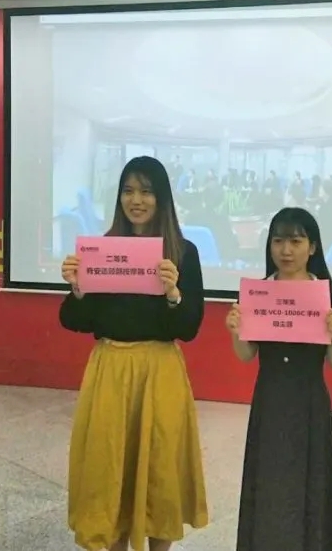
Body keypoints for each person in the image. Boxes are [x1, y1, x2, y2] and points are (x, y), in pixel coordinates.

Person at [59, 156, 209, 551]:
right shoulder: (102, 250)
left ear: (162, 198)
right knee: (109, 471)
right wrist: (78, 289)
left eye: (146, 191)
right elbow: (74, 320)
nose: (136, 200)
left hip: (159, 373)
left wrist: (174, 294)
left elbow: (189, 328)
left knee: (159, 473)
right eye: (128, 191)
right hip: (110, 370)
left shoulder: (183, 253)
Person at [225, 207, 332, 551]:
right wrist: (236, 331)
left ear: (312, 247)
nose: (286, 250)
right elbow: (246, 355)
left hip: (310, 399)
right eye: (278, 241)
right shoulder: (258, 293)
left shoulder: (331, 296)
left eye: (296, 242)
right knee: (269, 479)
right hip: (270, 397)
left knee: (311, 481)